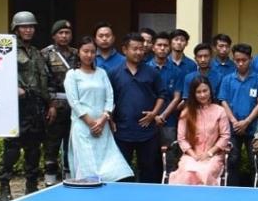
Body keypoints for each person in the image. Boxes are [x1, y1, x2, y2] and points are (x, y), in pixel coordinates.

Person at [0, 11, 54, 201]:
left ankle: (31, 186)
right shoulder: (7, 49)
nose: (28, 30)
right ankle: (4, 186)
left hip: (36, 104)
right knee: (12, 148)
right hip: (16, 105)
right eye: (24, 27)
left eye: (31, 26)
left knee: (34, 149)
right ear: (16, 28)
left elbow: (43, 80)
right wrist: (11, 88)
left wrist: (50, 104)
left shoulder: (37, 52)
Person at [63, 36, 133, 182]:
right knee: (87, 168)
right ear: (79, 53)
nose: (89, 55)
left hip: (103, 127)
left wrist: (102, 120)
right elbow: (74, 102)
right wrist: (91, 123)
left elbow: (110, 97)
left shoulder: (101, 73)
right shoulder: (72, 75)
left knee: (115, 168)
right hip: (82, 128)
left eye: (92, 52)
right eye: (85, 51)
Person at [108, 33, 166, 184]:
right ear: (124, 50)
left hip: (147, 131)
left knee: (149, 170)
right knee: (122, 171)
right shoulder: (114, 73)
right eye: (135, 49)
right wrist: (110, 119)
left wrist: (154, 113)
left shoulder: (152, 72)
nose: (139, 52)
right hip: (122, 130)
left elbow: (162, 95)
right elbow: (108, 99)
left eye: (141, 49)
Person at [218, 43, 258, 187]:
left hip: (253, 127)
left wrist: (246, 121)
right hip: (232, 127)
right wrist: (234, 121)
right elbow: (223, 101)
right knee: (232, 160)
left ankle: (254, 190)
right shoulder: (227, 79)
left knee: (254, 160)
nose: (240, 63)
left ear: (250, 59)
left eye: (243, 60)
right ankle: (232, 190)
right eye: (237, 60)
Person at [169, 77, 231, 186]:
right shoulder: (186, 112)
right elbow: (181, 139)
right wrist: (193, 155)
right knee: (187, 172)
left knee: (205, 173)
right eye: (198, 92)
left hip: (213, 156)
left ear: (210, 91)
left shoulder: (220, 111)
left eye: (205, 91)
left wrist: (209, 153)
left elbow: (225, 136)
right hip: (191, 156)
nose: (202, 95)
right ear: (193, 94)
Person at [40, 19, 77, 185]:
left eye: (67, 33)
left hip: (74, 106)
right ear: (54, 36)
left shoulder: (77, 53)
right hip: (54, 105)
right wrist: (51, 104)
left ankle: (70, 176)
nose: (64, 36)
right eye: (60, 33)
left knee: (72, 142)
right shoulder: (45, 54)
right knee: (52, 143)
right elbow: (43, 82)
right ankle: (50, 179)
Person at [147, 31, 183, 148]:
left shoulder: (176, 71)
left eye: (165, 45)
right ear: (153, 47)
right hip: (148, 120)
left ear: (169, 48)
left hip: (169, 121)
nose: (162, 48)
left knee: (170, 157)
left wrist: (162, 116)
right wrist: (153, 116)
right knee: (149, 158)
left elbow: (177, 98)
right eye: (159, 45)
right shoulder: (145, 69)